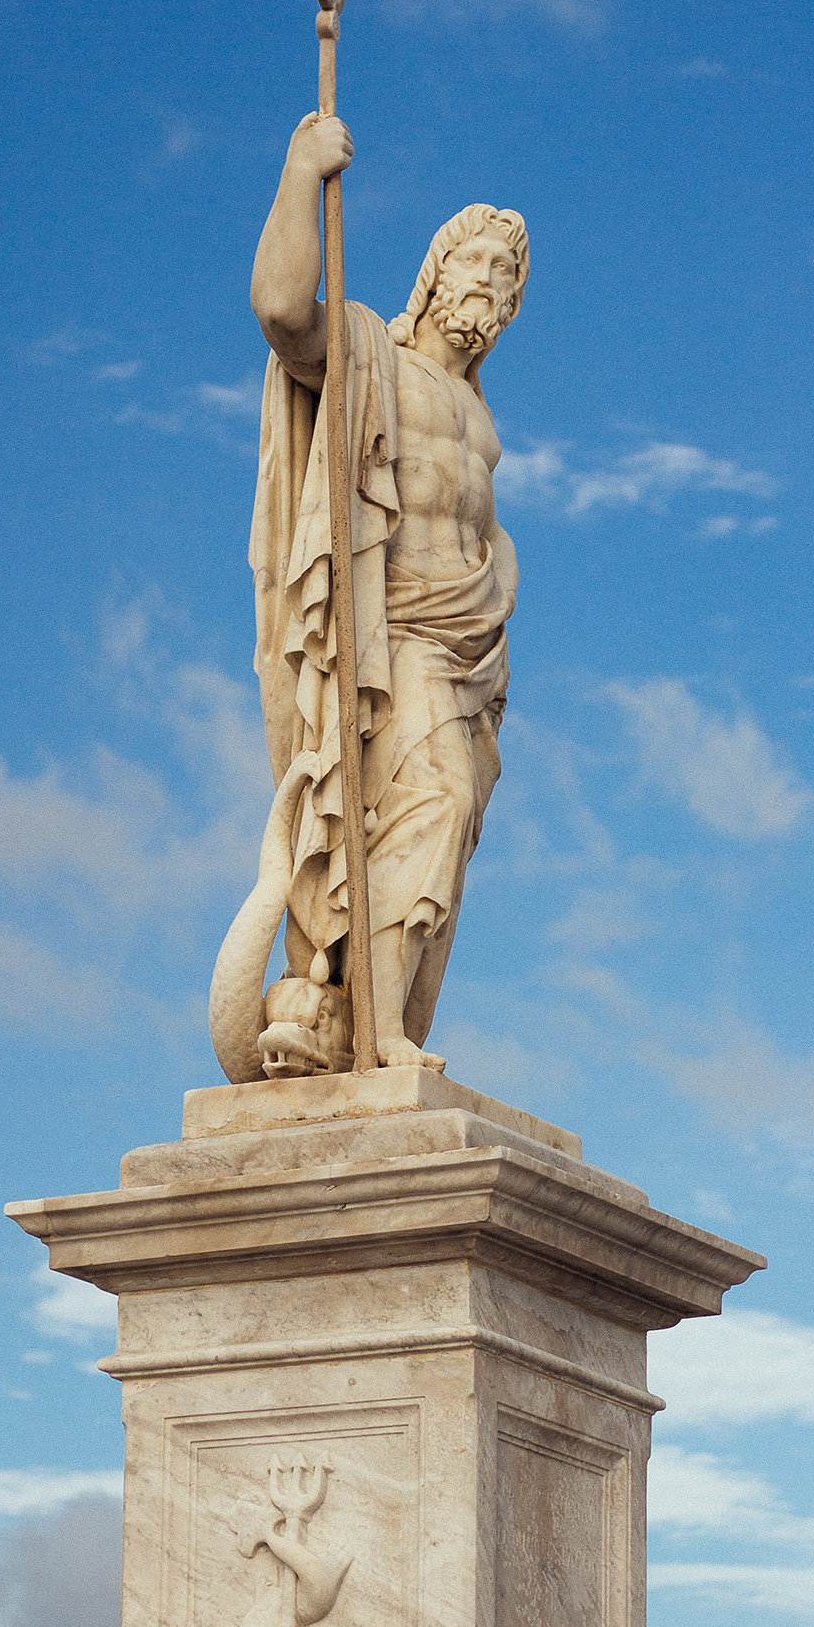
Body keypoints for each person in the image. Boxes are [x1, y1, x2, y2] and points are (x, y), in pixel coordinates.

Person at [215, 111, 528, 1078]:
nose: (491, 284)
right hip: (391, 643)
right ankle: (382, 1037)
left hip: (472, 655)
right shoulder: (368, 354)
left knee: (442, 832)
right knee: (425, 801)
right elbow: (279, 308)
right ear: (433, 273)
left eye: (507, 277)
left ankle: (364, 1020)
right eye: (473, 263)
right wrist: (300, 171)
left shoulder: (481, 416)